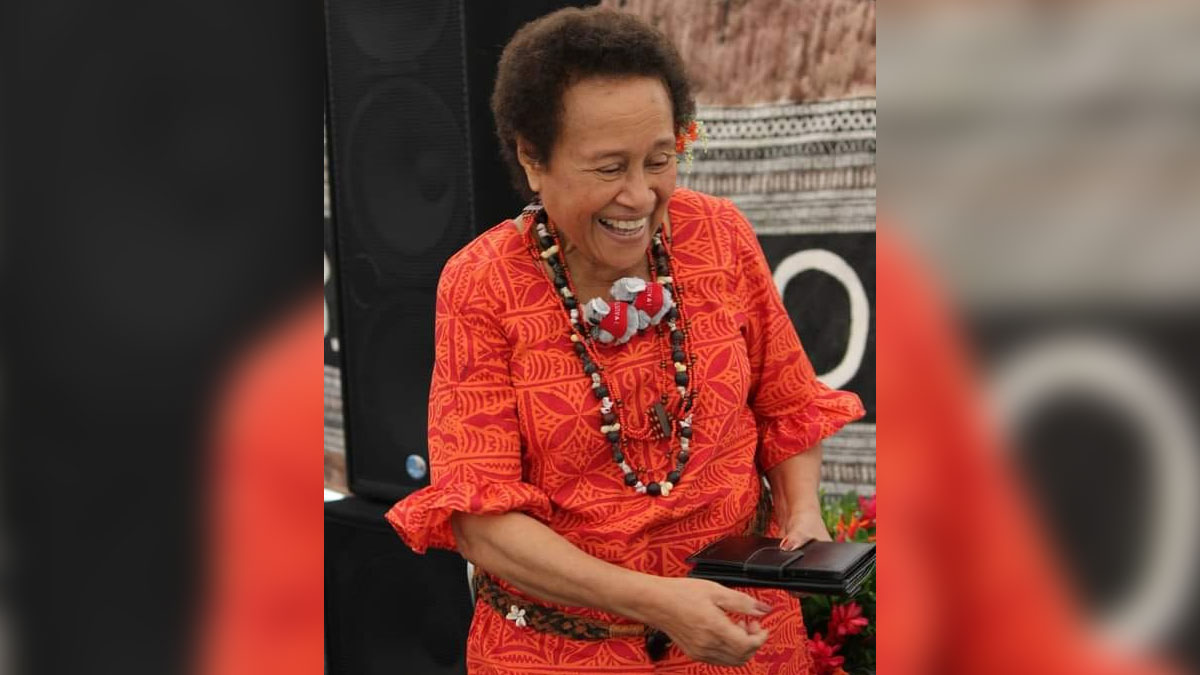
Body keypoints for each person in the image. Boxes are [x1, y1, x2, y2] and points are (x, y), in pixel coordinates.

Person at [385, 7, 864, 673]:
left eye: (660, 160)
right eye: (609, 168)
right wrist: (659, 602)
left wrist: (802, 511)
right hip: (560, 655)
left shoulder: (718, 236)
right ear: (533, 159)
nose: (640, 196)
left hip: (745, 641)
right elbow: (482, 521)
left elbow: (788, 405)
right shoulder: (482, 284)